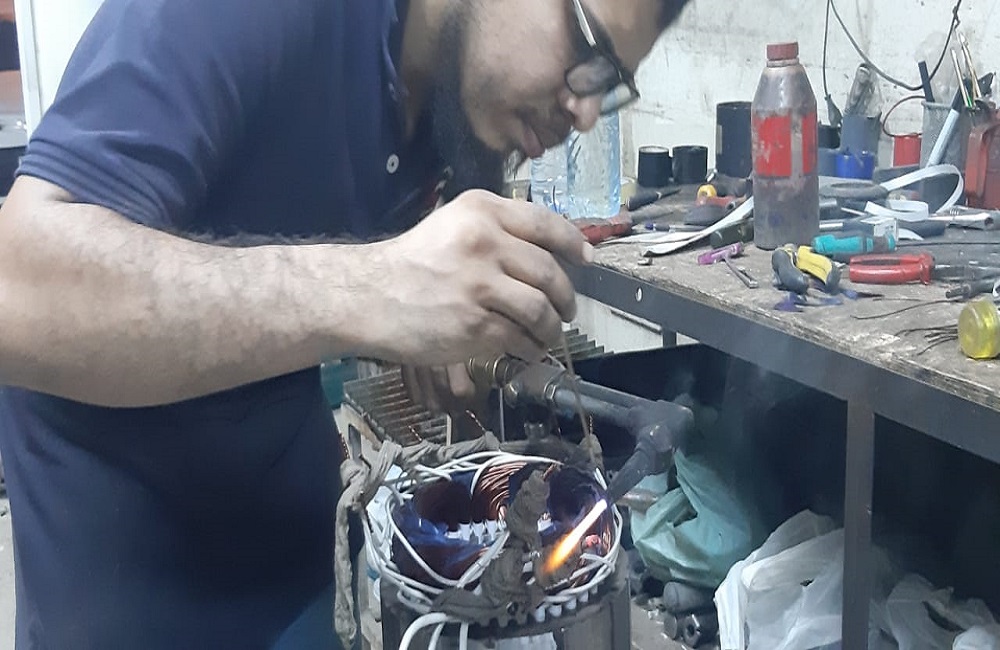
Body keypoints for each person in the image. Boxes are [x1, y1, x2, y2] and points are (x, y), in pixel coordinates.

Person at [0, 0, 690, 647]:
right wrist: (377, 286)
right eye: (588, 51)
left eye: (611, 85)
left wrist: (425, 276)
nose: (586, 112)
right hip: (128, 588)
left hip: (294, 557)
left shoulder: (447, 87)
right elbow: (18, 293)